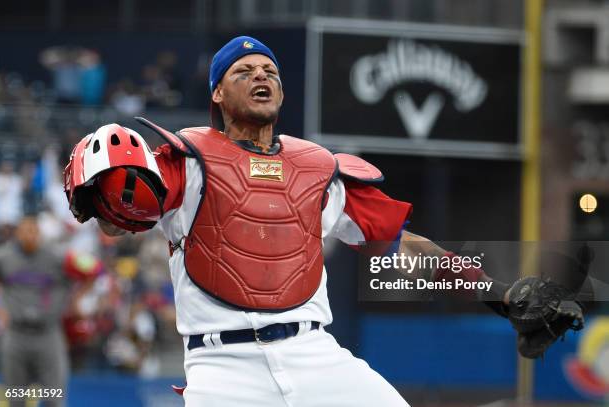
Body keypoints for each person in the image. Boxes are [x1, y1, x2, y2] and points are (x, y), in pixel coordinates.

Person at [64, 36, 585, 406]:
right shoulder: (187, 159)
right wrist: (104, 190)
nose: (260, 76)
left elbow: (406, 246)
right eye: (242, 72)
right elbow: (121, 219)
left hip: (315, 354)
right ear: (217, 94)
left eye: (269, 70)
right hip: (223, 369)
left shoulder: (320, 169)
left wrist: (500, 295)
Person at [0, 216, 70, 407]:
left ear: (39, 234)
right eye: (24, 231)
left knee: (53, 397)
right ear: (17, 234)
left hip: (48, 334)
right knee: (16, 397)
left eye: (33, 231)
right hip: (16, 334)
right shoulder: (4, 257)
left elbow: (92, 272)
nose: (28, 236)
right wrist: (0, 310)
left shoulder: (56, 258)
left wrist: (74, 302)